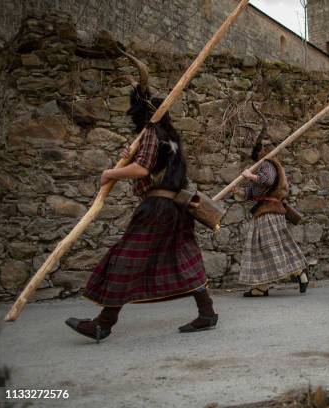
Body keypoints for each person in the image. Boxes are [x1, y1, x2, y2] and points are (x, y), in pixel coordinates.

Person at [65, 85, 217, 343]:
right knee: (183, 256)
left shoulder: (150, 131)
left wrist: (110, 173)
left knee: (126, 258)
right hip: (177, 209)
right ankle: (207, 313)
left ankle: (103, 324)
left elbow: (141, 171)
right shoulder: (170, 138)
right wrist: (131, 155)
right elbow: (150, 164)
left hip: (157, 208)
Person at [232, 129, 308, 297]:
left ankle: (299, 273)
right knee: (261, 249)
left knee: (273, 247)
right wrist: (240, 191)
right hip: (263, 211)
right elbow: (255, 192)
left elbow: (268, 180)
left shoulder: (268, 163)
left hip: (270, 213)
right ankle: (262, 286)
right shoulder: (261, 165)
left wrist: (249, 175)